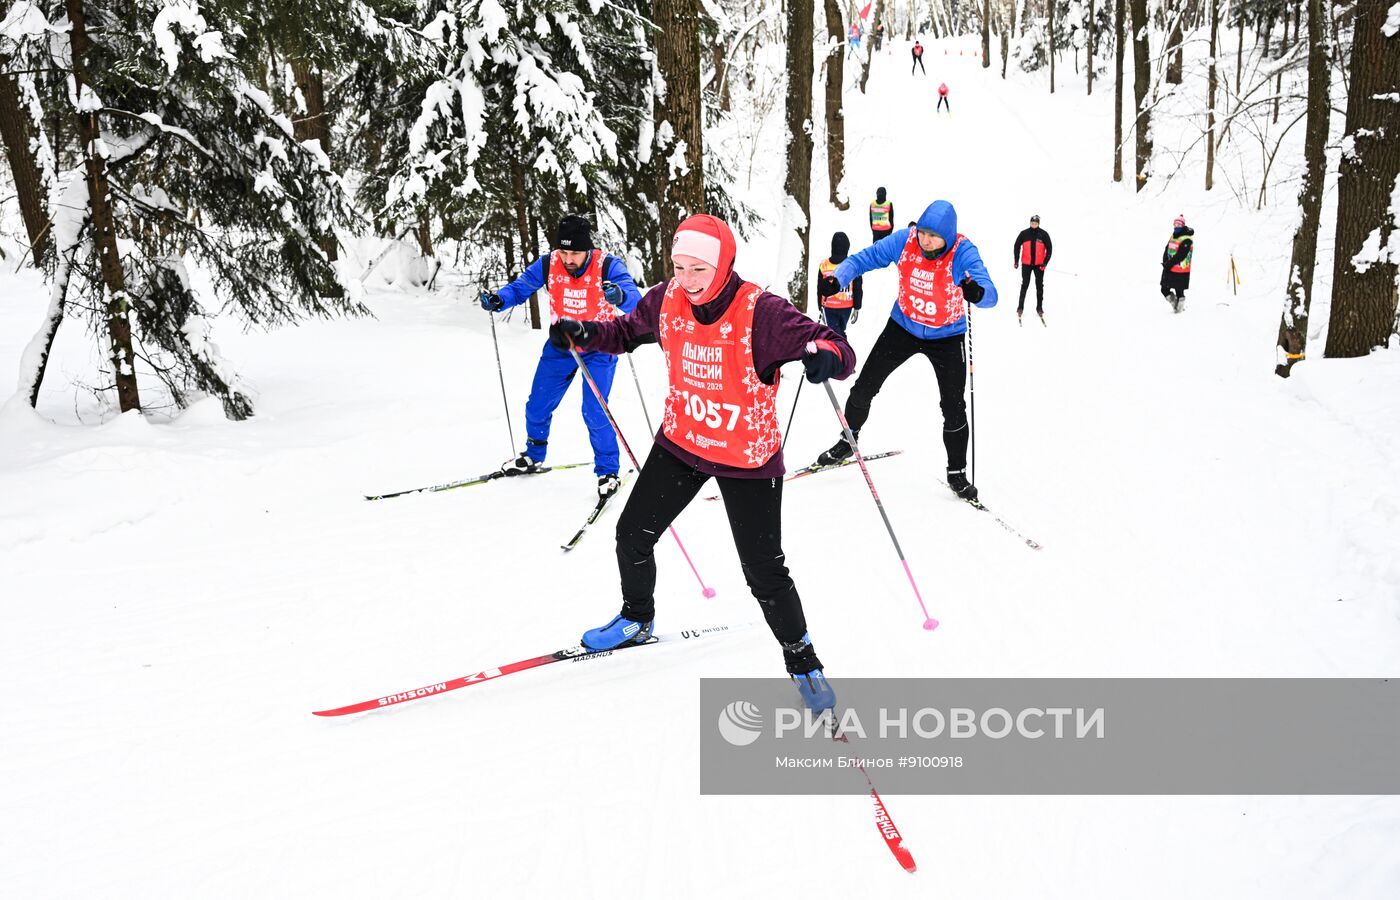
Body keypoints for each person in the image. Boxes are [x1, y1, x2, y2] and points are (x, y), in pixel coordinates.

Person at [548, 214, 856, 712]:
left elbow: (838, 346)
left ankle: (803, 662)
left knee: (764, 571)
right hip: (683, 442)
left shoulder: (762, 312)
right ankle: (636, 617)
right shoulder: (667, 297)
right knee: (632, 533)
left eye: (698, 269)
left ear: (724, 263)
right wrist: (584, 331)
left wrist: (826, 356)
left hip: (746, 458)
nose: (686, 280)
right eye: (679, 267)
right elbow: (626, 332)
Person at [815, 200, 998, 501]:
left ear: (948, 237)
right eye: (923, 233)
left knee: (953, 406)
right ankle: (848, 440)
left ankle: (957, 472)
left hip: (947, 336)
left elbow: (990, 293)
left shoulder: (962, 252)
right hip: (903, 327)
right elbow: (865, 258)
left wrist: (977, 293)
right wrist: (839, 278)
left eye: (933, 236)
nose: (925, 241)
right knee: (865, 386)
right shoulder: (906, 240)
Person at [479, 215, 641, 498]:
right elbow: (521, 287)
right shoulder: (548, 263)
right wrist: (500, 299)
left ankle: (607, 472)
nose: (568, 258)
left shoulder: (606, 265)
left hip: (599, 346)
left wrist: (619, 296)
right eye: (564, 251)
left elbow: (635, 300)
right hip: (561, 345)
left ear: (587, 249)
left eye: (575, 253)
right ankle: (533, 455)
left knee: (594, 411)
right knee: (537, 404)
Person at [816, 232, 863, 337]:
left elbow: (820, 288)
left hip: (829, 305)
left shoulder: (824, 265)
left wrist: (820, 307)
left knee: (835, 333)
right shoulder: (852, 265)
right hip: (846, 306)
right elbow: (857, 287)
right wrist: (857, 307)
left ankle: (840, 350)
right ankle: (842, 350)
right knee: (839, 332)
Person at [1013, 214, 1053, 322]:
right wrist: (1016, 261)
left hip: (1039, 266)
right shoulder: (1024, 233)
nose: (1033, 224)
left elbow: (1049, 249)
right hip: (1026, 265)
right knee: (1024, 285)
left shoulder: (1044, 234)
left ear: (1038, 223)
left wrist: (1044, 263)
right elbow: (1016, 246)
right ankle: (1020, 307)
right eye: (1032, 223)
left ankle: (1039, 307)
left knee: (1039, 286)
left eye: (1035, 223)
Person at [1161, 215, 1194, 313]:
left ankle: (1179, 310)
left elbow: (1181, 255)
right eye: (1175, 224)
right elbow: (1167, 248)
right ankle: (1175, 305)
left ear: (1183, 225)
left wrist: (1169, 264)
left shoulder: (1187, 239)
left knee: (1179, 291)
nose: (1176, 226)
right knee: (1164, 289)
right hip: (1170, 267)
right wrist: (1165, 261)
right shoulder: (1173, 235)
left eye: (1179, 224)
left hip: (1180, 269)